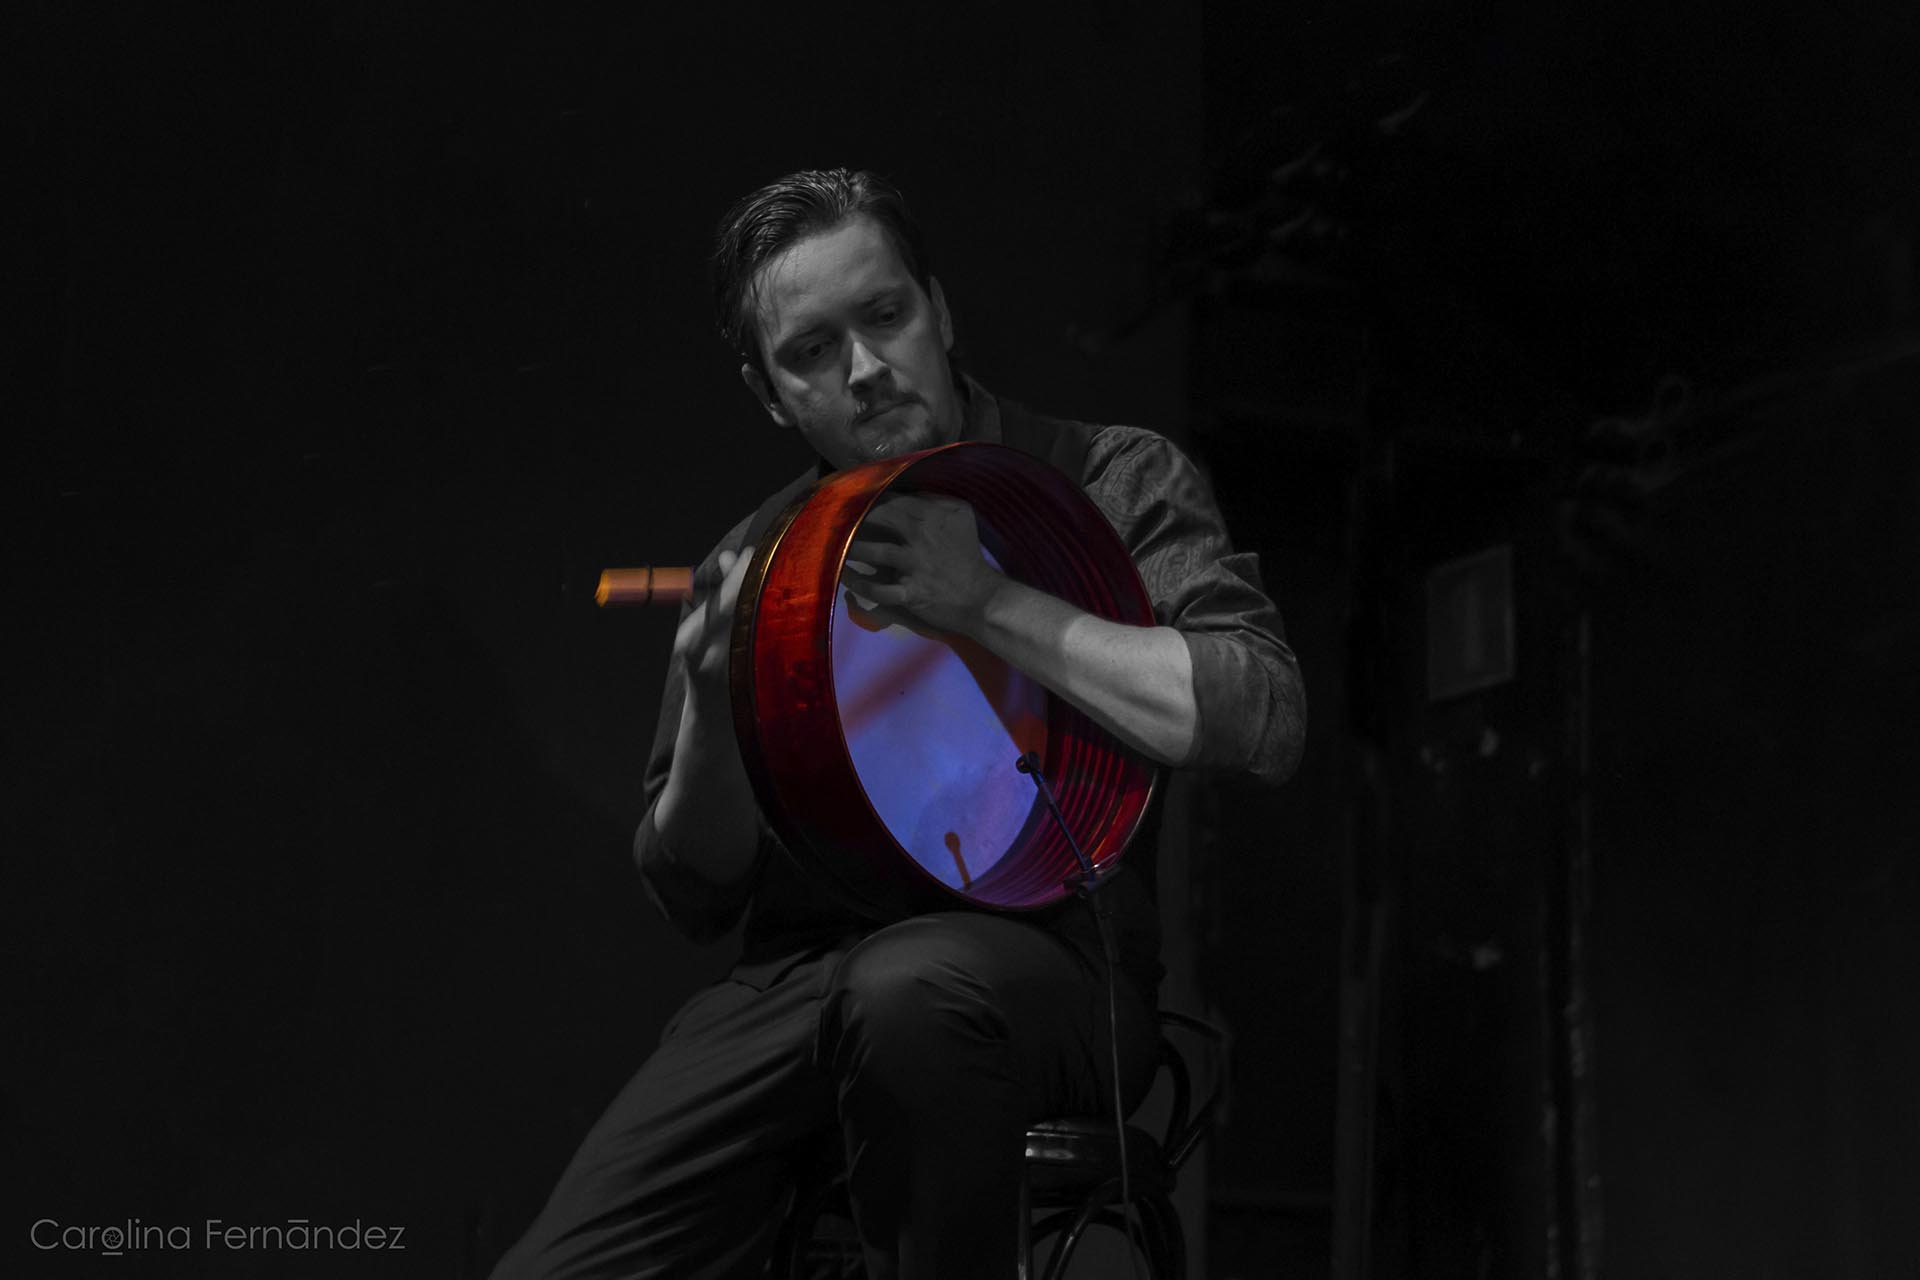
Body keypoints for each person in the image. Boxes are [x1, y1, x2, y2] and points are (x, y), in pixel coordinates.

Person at [491, 168, 1305, 1279]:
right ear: (770, 393)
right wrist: (716, 716)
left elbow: (1263, 712)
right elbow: (694, 886)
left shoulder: (1105, 476)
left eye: (885, 316)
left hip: (1049, 963)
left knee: (909, 991)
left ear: (941, 310)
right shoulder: (754, 559)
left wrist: (985, 601)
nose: (867, 370)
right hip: (802, 977)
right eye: (813, 351)